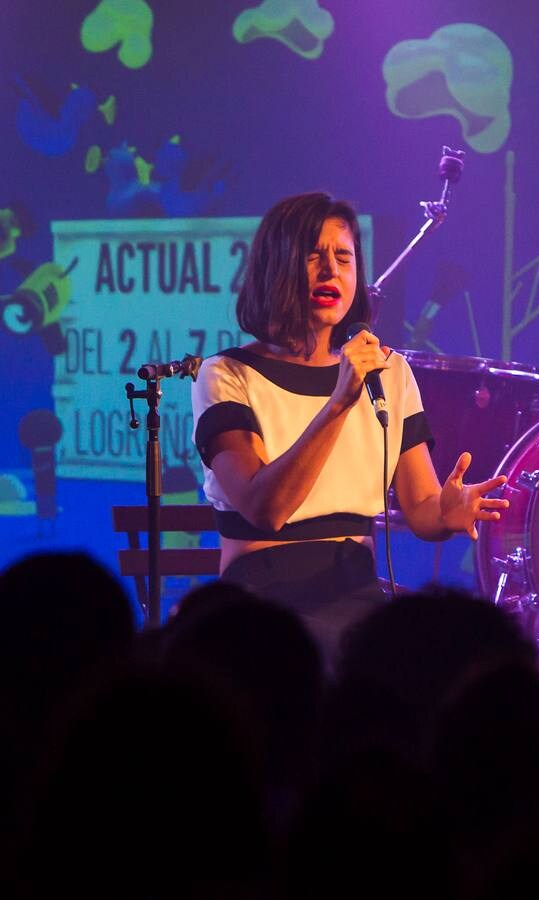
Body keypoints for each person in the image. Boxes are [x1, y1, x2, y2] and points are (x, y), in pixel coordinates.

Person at [190, 192, 507, 649]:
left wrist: (447, 511)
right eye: (313, 256)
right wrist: (340, 401)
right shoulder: (227, 374)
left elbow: (420, 507)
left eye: (344, 257)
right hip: (259, 600)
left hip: (355, 589)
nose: (330, 270)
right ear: (274, 267)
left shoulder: (389, 371)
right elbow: (266, 508)